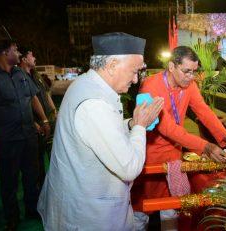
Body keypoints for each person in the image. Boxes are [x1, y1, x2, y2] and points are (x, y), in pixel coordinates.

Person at [37, 32, 164, 231]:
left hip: (84, 206)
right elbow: (129, 167)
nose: (136, 79)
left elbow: (98, 133)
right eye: (134, 71)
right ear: (113, 65)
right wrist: (140, 126)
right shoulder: (94, 103)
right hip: (88, 216)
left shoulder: (85, 84)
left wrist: (130, 124)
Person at [131, 46, 226, 230]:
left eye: (194, 72)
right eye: (186, 71)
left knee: (172, 209)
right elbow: (166, 127)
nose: (191, 77)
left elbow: (204, 112)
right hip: (149, 156)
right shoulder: (151, 86)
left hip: (174, 155)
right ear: (171, 66)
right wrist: (205, 146)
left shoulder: (189, 86)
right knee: (140, 212)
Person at [0, 39, 51, 231]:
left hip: (28, 134)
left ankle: (32, 209)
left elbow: (33, 97)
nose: (18, 53)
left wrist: (44, 120)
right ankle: (12, 218)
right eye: (15, 50)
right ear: (5, 53)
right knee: (9, 179)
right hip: (6, 138)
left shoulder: (21, 75)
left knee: (31, 176)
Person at [18, 47, 58, 188]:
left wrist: (54, 111)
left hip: (49, 121)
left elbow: (46, 94)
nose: (34, 58)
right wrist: (35, 123)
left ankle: (55, 186)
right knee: (37, 161)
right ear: (24, 59)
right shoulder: (19, 77)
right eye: (31, 55)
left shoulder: (36, 74)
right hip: (36, 126)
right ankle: (39, 189)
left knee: (55, 156)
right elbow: (24, 103)